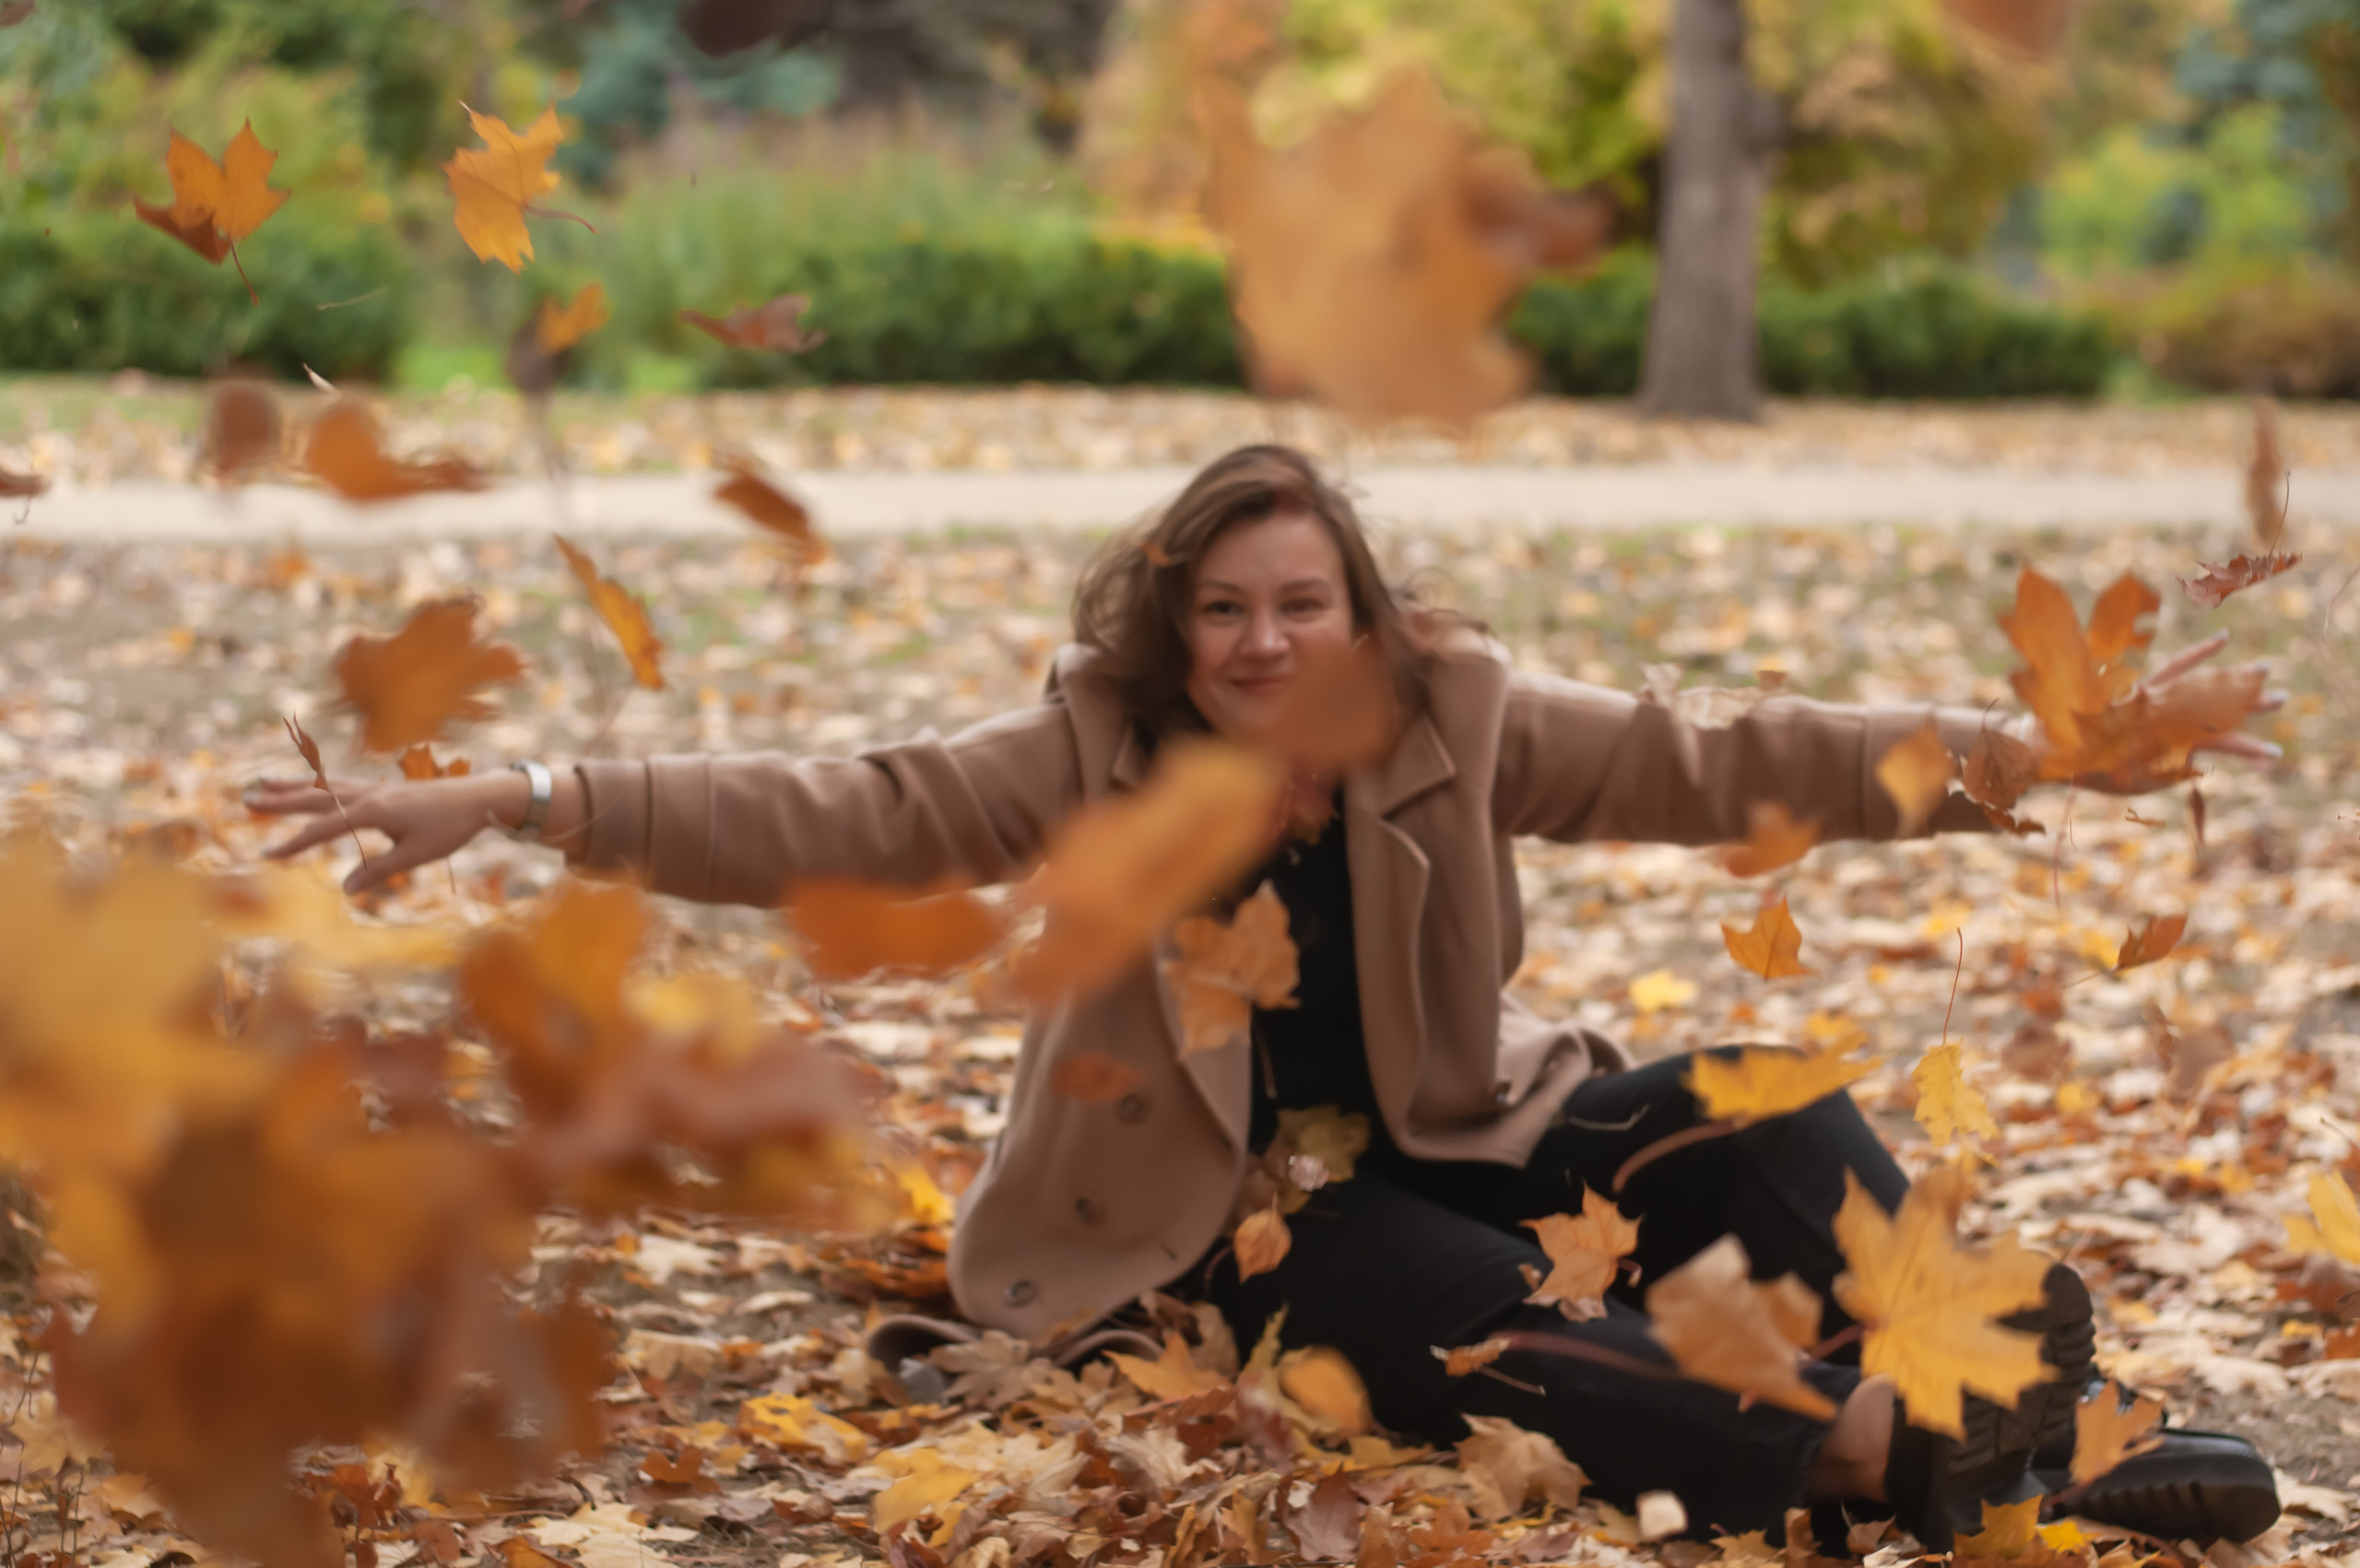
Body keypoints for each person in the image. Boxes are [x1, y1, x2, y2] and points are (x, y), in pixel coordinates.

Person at [250, 444, 2283, 1549]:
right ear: (1169, 624)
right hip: (1211, 1223)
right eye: (1218, 608)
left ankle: (2004, 1419)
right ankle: (1880, 1456)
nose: (1257, 639)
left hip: (1476, 1135)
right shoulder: (1088, 743)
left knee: (1761, 1103)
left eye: (1297, 602)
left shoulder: (1460, 711)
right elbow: (840, 805)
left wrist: (2017, 752)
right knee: (1429, 1288)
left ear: (1360, 614)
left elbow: (1717, 752)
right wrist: (517, 793)